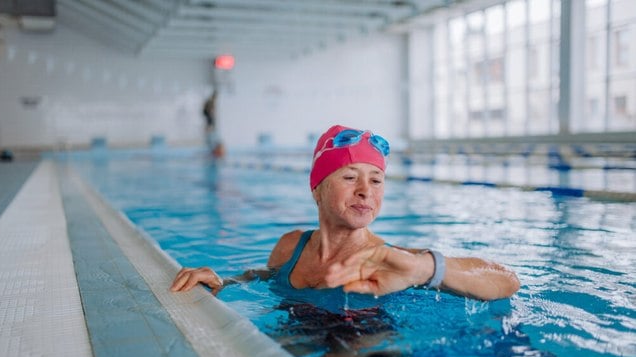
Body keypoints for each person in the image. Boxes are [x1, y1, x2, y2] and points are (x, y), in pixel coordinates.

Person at [171, 124, 520, 301]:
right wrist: (224, 282)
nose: (366, 191)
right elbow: (265, 275)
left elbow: (507, 280)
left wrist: (425, 267)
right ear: (317, 189)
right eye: (350, 177)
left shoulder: (389, 258)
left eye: (377, 180)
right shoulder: (290, 246)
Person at [201, 90, 224, 158]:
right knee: (211, 133)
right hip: (209, 121)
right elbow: (207, 111)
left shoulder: (210, 101)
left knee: (211, 133)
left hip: (209, 122)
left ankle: (209, 130)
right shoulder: (210, 101)